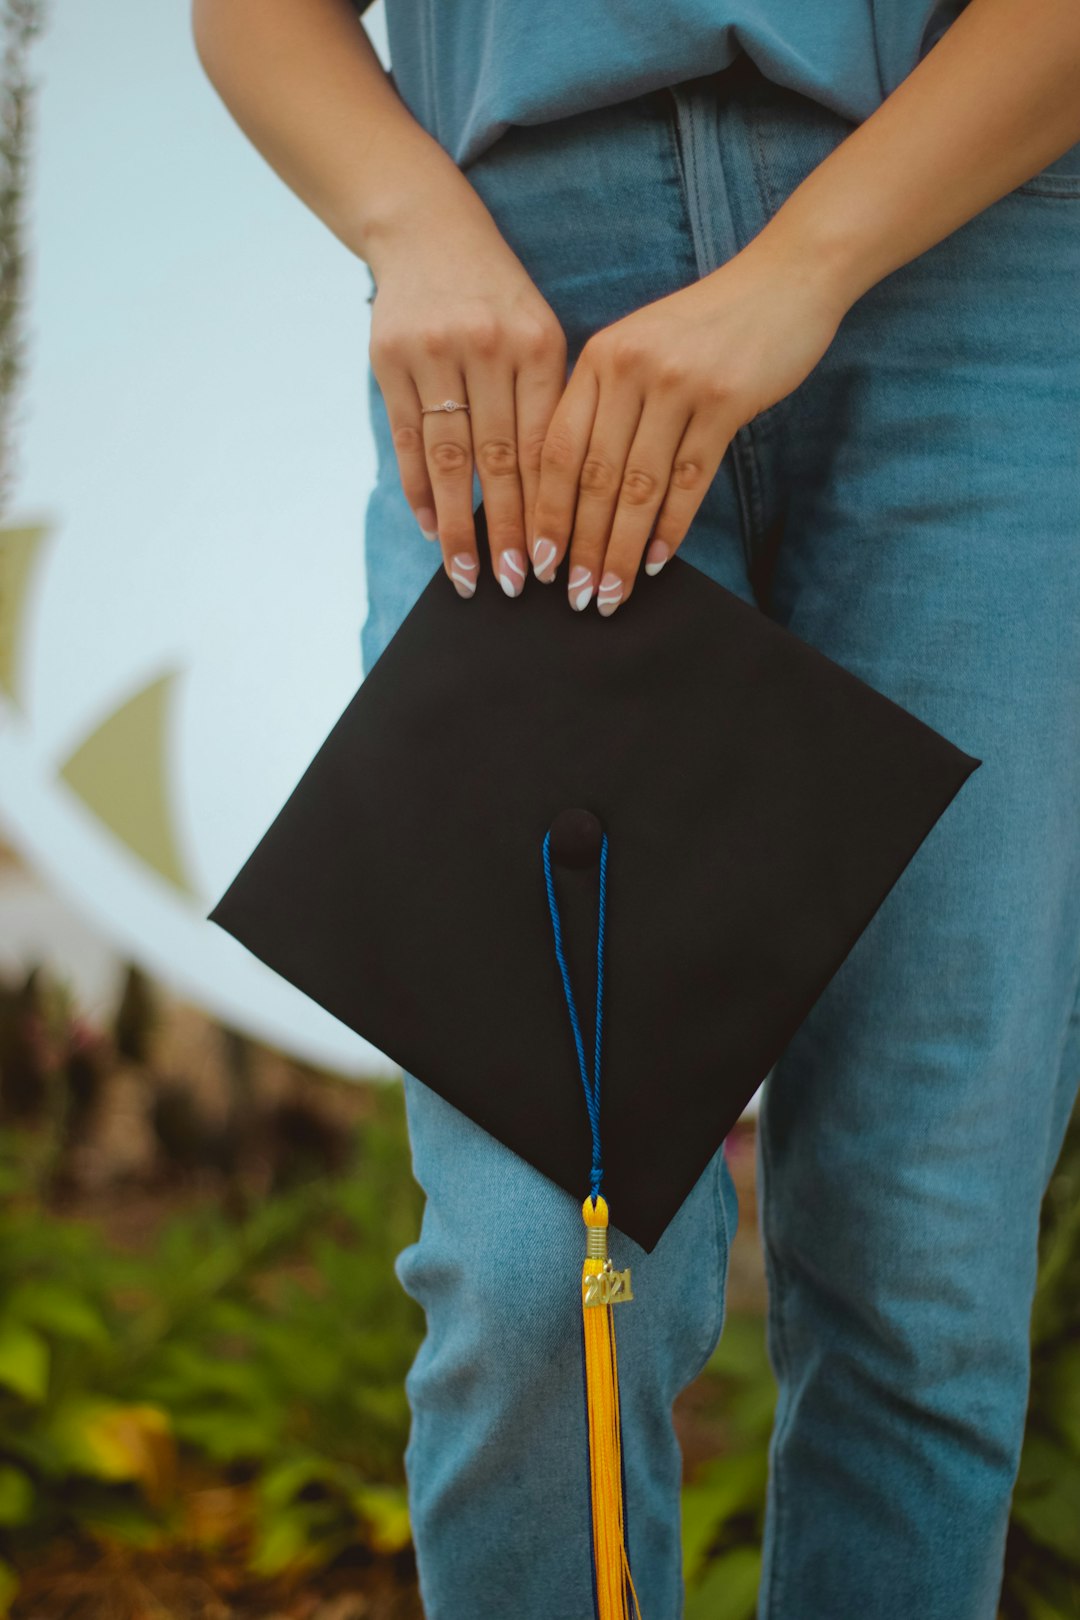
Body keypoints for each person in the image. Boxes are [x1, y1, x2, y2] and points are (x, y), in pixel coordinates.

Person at [190, 3, 1080, 1614]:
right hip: (524, 306)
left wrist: (800, 270)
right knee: (543, 1280)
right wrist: (413, 229)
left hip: (988, 283)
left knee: (922, 1262)